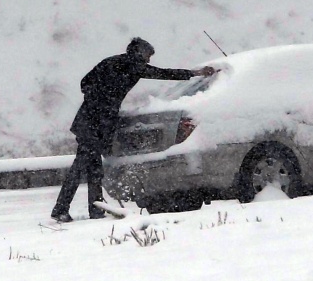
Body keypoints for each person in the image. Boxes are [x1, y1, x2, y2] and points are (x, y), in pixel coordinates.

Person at [50, 37, 216, 222]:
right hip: (95, 124)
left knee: (93, 168)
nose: (148, 61)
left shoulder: (111, 62)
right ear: (138, 52)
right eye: (147, 56)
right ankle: (62, 209)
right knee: (81, 167)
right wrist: (195, 73)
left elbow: (84, 83)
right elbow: (162, 73)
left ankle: (94, 209)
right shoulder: (132, 65)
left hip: (89, 121)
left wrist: (98, 99)